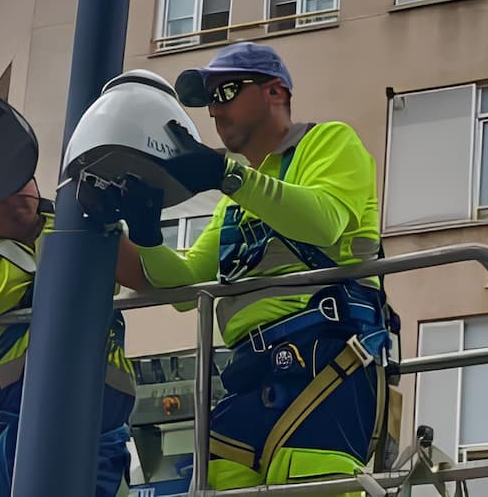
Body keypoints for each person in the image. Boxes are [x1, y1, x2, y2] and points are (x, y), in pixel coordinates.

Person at [115, 42, 394, 493]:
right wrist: (145, 231)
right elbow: (188, 288)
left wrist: (225, 173)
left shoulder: (327, 141)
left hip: (327, 359)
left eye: (225, 91)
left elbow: (322, 223)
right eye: (209, 100)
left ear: (275, 92)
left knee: (309, 484)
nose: (214, 110)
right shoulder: (236, 201)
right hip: (249, 373)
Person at [0, 178, 136, 497]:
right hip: (7, 443)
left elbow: (151, 275)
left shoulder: (77, 225)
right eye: (1, 182)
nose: (15, 189)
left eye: (23, 179)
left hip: (102, 444)